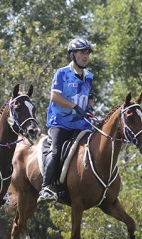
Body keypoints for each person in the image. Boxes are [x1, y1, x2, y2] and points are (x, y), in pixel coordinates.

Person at [38, 38, 95, 203]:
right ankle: (46, 187)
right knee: (56, 150)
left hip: (81, 124)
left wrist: (89, 109)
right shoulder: (62, 73)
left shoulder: (89, 76)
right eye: (82, 52)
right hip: (61, 123)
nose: (85, 56)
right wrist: (74, 107)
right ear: (73, 54)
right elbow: (54, 96)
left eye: (87, 53)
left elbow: (89, 96)